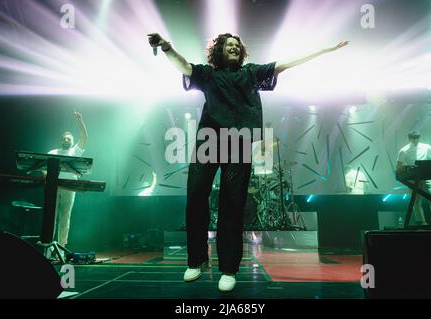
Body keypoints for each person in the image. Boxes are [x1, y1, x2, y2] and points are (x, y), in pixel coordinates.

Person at [148, 32, 348, 291]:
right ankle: (196, 261)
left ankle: (228, 269)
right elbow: (184, 65)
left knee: (232, 203)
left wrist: (324, 50)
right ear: (219, 50)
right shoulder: (208, 74)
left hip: (238, 143)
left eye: (236, 45)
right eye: (228, 45)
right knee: (196, 196)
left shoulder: (251, 73)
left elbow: (284, 64)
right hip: (208, 142)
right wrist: (166, 47)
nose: (233, 48)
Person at [47, 111, 88, 247]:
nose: (66, 140)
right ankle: (48, 247)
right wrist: (47, 182)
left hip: (70, 187)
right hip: (54, 186)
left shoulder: (75, 151)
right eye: (64, 139)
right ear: (61, 140)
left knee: (65, 217)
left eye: (68, 139)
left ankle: (61, 247)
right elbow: (44, 170)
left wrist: (79, 120)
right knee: (50, 217)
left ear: (72, 141)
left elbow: (84, 137)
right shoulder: (52, 152)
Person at [396, 130, 431, 227]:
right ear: (409, 138)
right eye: (414, 138)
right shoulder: (403, 150)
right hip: (413, 178)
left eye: (417, 137)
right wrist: (407, 168)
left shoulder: (426, 147)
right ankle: (421, 223)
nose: (416, 140)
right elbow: (398, 167)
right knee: (416, 201)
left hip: (427, 176)